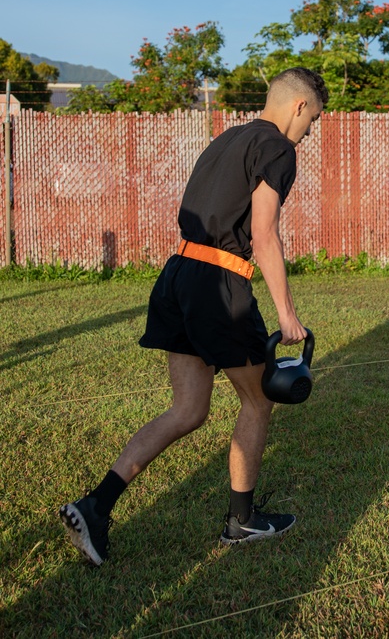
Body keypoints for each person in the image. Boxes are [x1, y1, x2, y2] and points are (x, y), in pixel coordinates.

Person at [59, 67, 329, 566]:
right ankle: (241, 522)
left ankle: (95, 507)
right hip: (218, 286)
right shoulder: (278, 149)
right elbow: (264, 234)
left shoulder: (227, 139)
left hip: (178, 275)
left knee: (189, 410)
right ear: (299, 107)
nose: (310, 131)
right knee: (259, 399)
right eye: (312, 119)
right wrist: (288, 317)